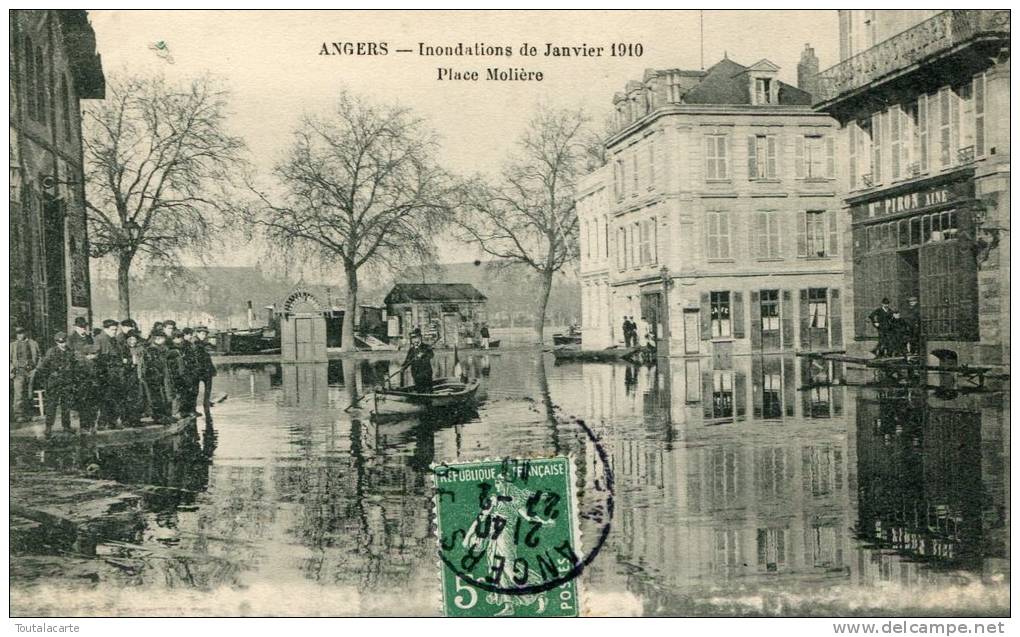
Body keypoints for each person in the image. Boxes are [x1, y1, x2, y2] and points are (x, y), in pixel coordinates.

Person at [34, 332, 78, 437]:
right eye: (60, 342)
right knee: (51, 406)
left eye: (64, 342)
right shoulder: (51, 352)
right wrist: (50, 377)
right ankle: (48, 427)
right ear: (56, 342)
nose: (62, 344)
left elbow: (74, 365)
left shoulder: (69, 351)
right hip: (55, 383)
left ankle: (66, 426)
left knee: (66, 406)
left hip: (67, 382)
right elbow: (42, 367)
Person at [95, 318, 128, 429]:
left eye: (115, 330)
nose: (114, 332)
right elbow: (97, 356)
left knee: (115, 398)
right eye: (112, 330)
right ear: (105, 329)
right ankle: (102, 423)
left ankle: (112, 421)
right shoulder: (100, 339)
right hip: (105, 374)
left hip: (115, 373)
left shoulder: (114, 340)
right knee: (106, 399)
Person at [10, 326, 40, 423]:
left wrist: (36, 369)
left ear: (26, 333)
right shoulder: (13, 345)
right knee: (19, 394)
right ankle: (19, 415)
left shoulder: (33, 343)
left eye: (21, 333)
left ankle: (29, 414)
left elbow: (40, 357)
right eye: (18, 334)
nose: (20, 335)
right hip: (18, 372)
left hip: (30, 371)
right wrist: (11, 370)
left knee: (29, 394)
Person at [143, 332, 173, 424]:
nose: (162, 340)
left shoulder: (163, 348)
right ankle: (159, 416)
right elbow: (152, 364)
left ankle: (165, 415)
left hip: (163, 376)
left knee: (164, 396)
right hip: (155, 377)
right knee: (157, 396)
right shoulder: (152, 350)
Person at [74, 344, 102, 434]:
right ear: (88, 354)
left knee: (93, 409)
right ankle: (85, 427)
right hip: (86, 389)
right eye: (94, 354)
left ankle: (91, 426)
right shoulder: (83, 363)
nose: (95, 356)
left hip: (93, 389)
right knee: (85, 409)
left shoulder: (95, 363)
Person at [122, 330, 147, 426]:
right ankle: (127, 419)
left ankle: (136, 419)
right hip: (128, 376)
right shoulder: (124, 349)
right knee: (129, 398)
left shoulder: (140, 349)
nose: (132, 341)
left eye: (134, 339)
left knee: (139, 398)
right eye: (130, 339)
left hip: (139, 375)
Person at [194, 326, 217, 417]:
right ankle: (197, 407)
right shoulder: (195, 343)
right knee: (195, 390)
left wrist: (212, 369)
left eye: (205, 334)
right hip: (199, 370)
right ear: (197, 333)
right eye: (202, 334)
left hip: (206, 370)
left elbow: (207, 358)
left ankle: (206, 403)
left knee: (208, 388)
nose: (204, 336)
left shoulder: (203, 343)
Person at [179, 327, 200, 416]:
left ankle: (191, 410)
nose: (191, 337)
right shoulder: (185, 345)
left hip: (192, 371)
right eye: (190, 335)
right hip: (189, 372)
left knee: (192, 392)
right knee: (189, 392)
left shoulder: (189, 344)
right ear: (185, 335)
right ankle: (189, 411)